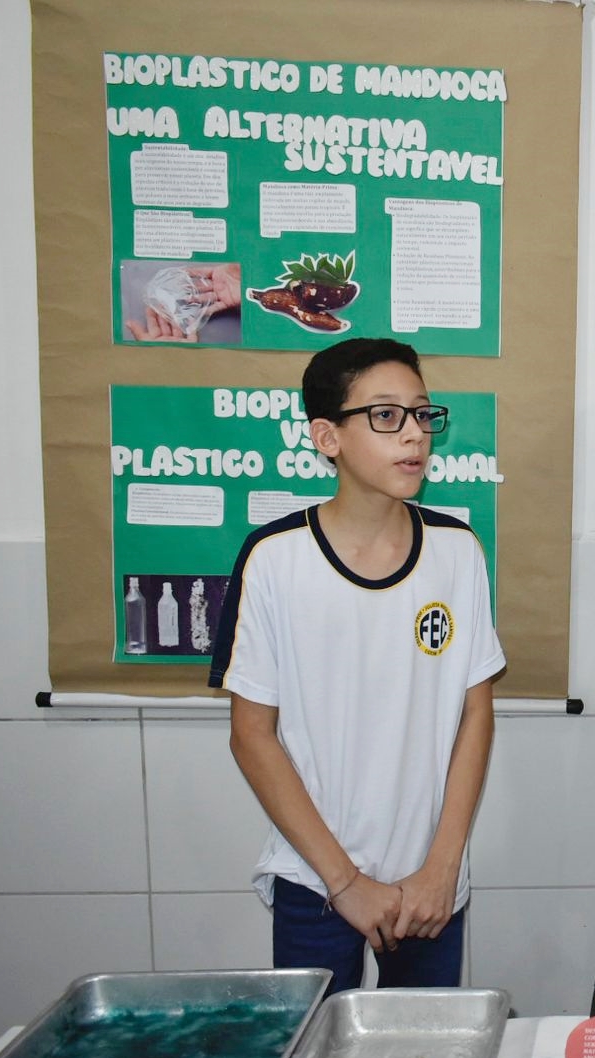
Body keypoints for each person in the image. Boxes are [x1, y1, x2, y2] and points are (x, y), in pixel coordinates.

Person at [210, 337, 504, 996]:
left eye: (422, 414)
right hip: (318, 880)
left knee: (425, 1042)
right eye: (386, 416)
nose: (415, 435)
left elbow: (475, 714)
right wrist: (344, 882)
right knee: (316, 1040)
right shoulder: (275, 558)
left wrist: (443, 866)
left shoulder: (457, 551)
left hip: (429, 884)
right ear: (327, 437)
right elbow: (251, 735)